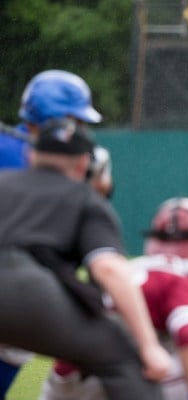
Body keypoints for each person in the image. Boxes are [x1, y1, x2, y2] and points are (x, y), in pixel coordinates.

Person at [0, 111, 172, 398]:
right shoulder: (84, 199)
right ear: (83, 164)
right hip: (24, 291)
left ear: (31, 155)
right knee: (126, 360)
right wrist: (149, 346)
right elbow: (109, 270)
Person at [39, 197, 188, 400]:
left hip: (66, 381)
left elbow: (167, 307)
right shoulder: (180, 275)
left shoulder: (133, 268)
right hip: (104, 385)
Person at [0, 70, 120, 399]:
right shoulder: (46, 161)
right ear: (56, 118)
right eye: (76, 119)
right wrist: (93, 177)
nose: (81, 128)